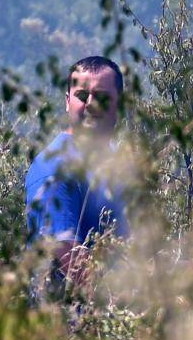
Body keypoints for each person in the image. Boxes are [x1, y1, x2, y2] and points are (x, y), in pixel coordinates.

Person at [25, 55, 131, 294]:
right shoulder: (55, 168)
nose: (91, 104)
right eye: (82, 96)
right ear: (67, 102)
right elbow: (69, 258)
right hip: (70, 324)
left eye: (102, 97)